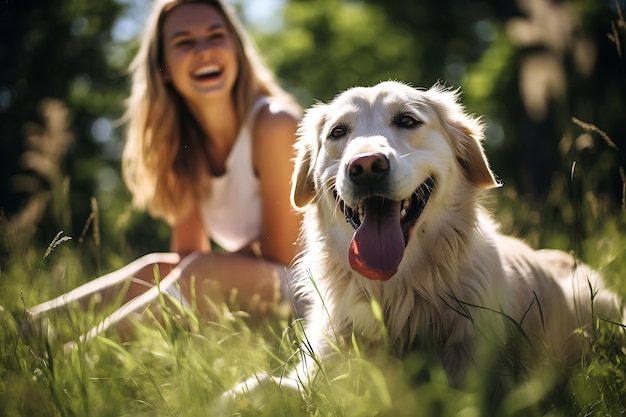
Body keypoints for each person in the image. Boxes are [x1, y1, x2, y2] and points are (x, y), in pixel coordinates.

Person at [27, 0, 302, 342]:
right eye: (184, 42)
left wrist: (204, 269)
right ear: (164, 69)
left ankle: (78, 360)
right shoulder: (182, 146)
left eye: (216, 36)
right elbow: (187, 256)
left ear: (236, 50)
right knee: (157, 268)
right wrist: (197, 269)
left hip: (317, 292)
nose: (203, 51)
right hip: (258, 291)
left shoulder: (274, 124)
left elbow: (285, 255)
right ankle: (24, 330)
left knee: (199, 273)